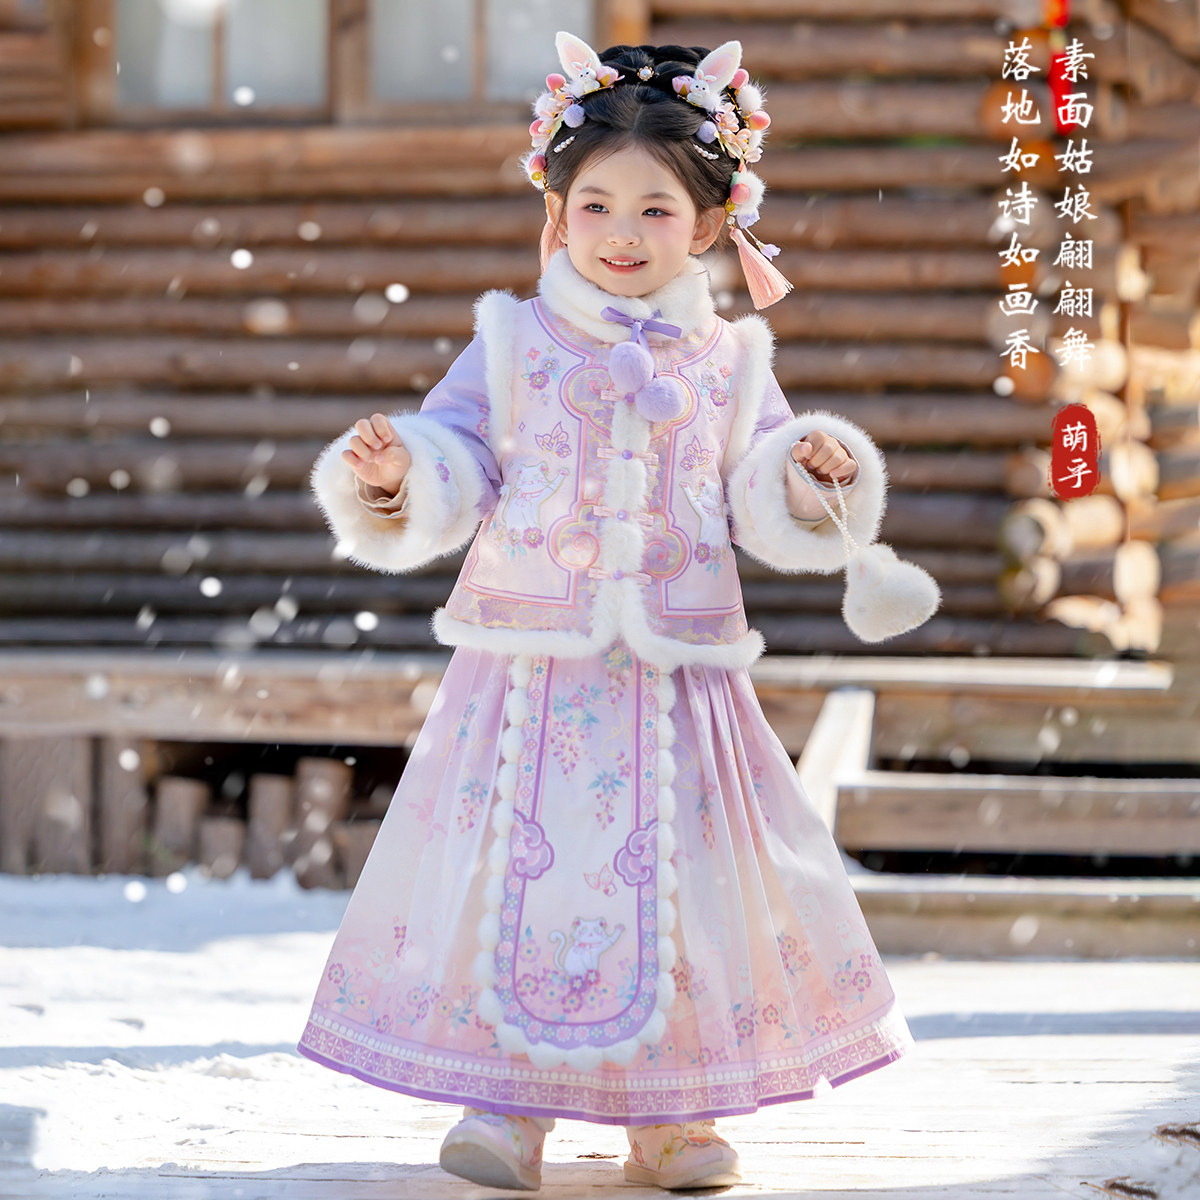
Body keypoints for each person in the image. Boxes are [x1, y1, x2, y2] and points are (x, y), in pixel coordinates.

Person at [296, 32, 927, 1193]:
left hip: (678, 671)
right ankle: (507, 1101)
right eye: (594, 205)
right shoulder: (512, 342)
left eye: (654, 210)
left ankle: (674, 1113)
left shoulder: (729, 357)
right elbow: (458, 454)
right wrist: (397, 476)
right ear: (556, 212)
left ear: (711, 225)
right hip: (529, 666)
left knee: (686, 877)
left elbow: (761, 483)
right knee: (513, 868)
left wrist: (813, 473)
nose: (621, 233)